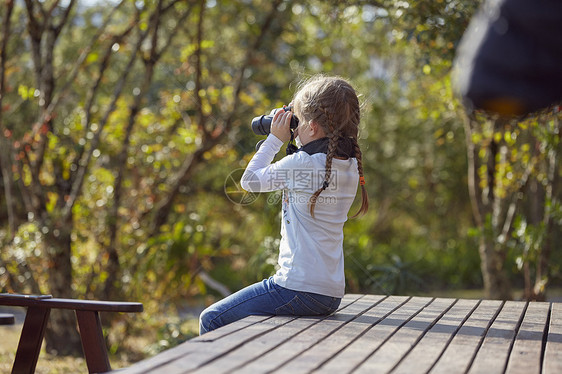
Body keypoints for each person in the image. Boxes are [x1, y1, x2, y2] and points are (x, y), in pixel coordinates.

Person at [199, 75, 368, 335]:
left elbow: (249, 181)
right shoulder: (347, 164)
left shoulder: (305, 164)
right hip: (330, 293)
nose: (294, 127)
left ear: (312, 127)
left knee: (211, 319)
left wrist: (276, 139)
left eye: (297, 122)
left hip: (297, 287)